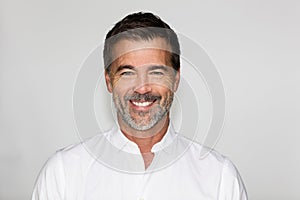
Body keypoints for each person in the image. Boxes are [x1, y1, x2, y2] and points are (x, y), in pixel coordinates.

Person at [32, 12, 248, 199]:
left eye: (156, 72)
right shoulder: (62, 174)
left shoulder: (221, 177)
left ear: (175, 80)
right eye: (127, 73)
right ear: (109, 81)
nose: (142, 88)